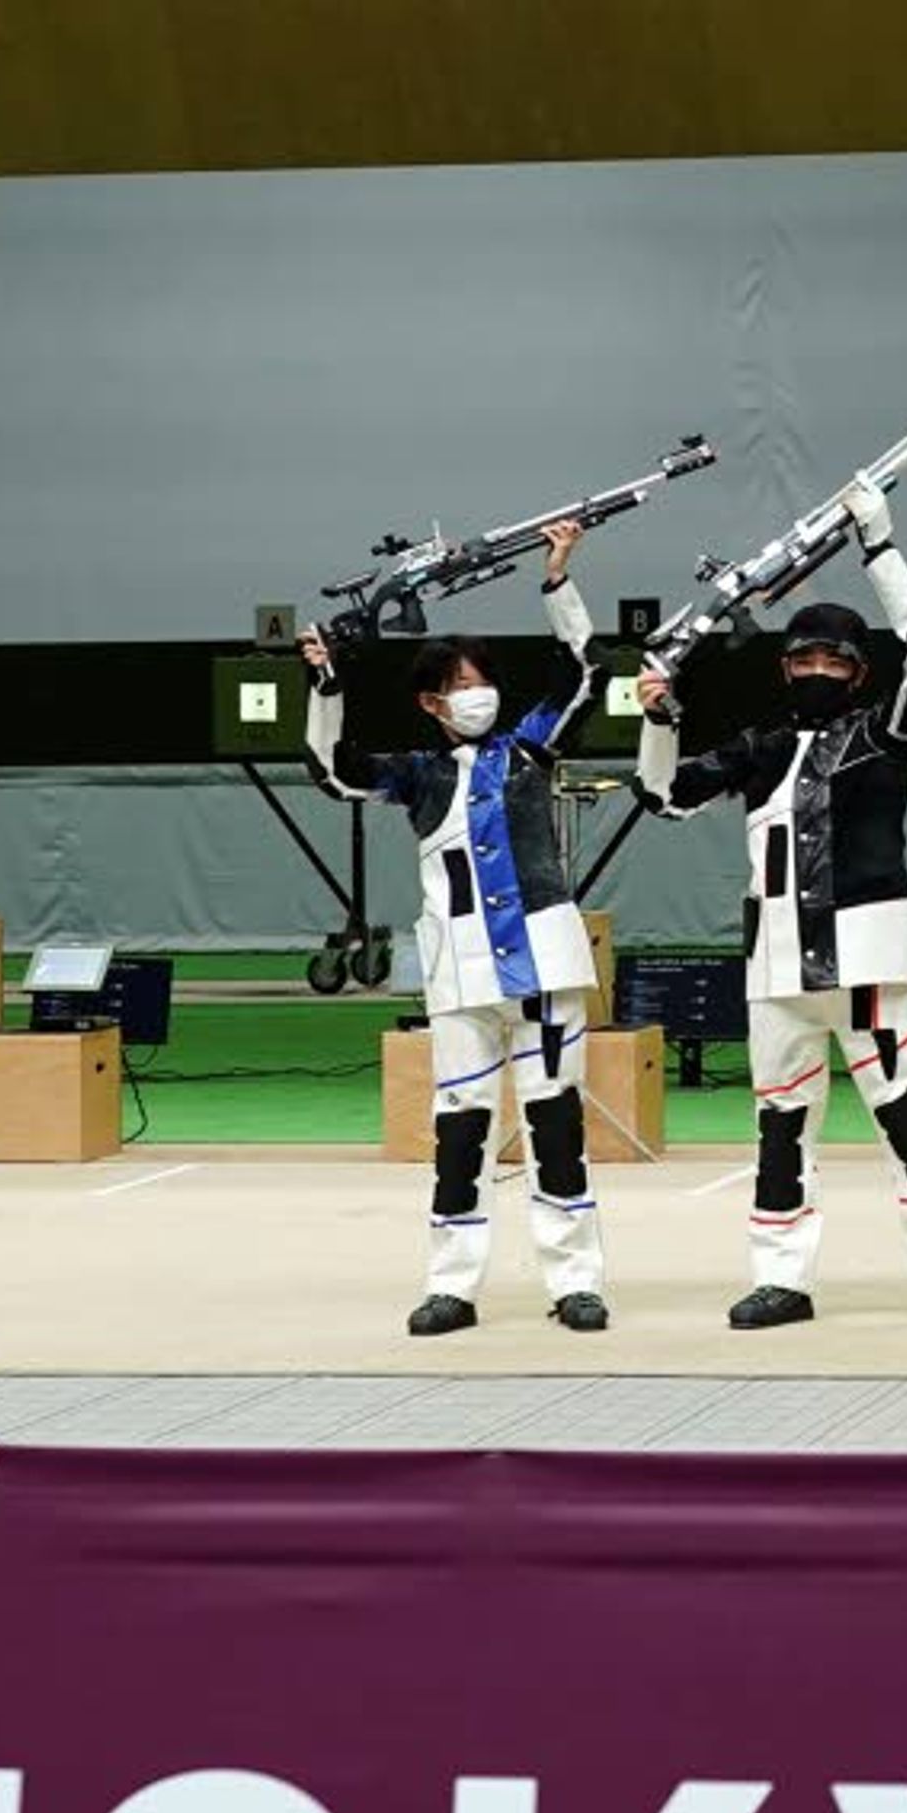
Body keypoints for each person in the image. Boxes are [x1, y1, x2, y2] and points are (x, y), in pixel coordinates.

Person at [630, 480, 907, 1333]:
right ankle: (781, 1277)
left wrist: (881, 544)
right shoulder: (759, 747)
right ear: (784, 668)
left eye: (833, 662)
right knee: (780, 1129)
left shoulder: (884, 734)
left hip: (868, 961)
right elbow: (662, 795)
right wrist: (659, 716)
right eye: (803, 661)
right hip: (776, 967)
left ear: (860, 673)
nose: (817, 672)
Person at [300, 518, 611, 1338]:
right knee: (460, 1132)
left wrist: (558, 578)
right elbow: (333, 770)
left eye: (484, 679)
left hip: (543, 966)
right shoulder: (418, 774)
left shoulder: (532, 749)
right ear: (431, 703)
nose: (478, 693)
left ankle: (575, 1279)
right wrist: (326, 684)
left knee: (556, 1124)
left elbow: (586, 673)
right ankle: (452, 1285)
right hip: (460, 976)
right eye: (459, 684)